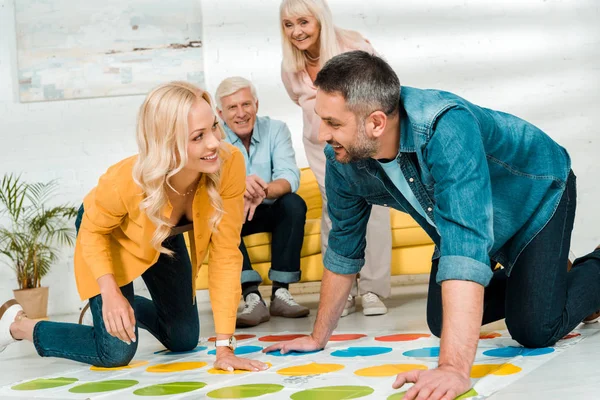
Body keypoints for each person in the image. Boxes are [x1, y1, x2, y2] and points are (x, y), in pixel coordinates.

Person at [264, 51, 600, 399]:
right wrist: (319, 337)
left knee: (534, 328)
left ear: (376, 123)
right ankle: (547, 277)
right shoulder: (344, 159)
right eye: (322, 120)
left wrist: (454, 369)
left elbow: (465, 243)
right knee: (442, 322)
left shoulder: (445, 128)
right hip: (464, 219)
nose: (322, 135)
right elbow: (344, 248)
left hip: (534, 196)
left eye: (333, 123)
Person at [0, 82, 269, 373]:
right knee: (115, 352)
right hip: (104, 233)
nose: (215, 142)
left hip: (164, 233)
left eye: (214, 127)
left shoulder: (228, 164)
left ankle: (108, 313)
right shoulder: (125, 182)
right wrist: (110, 293)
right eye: (198, 137)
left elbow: (226, 256)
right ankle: (19, 325)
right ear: (168, 144)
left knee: (183, 339)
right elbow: (93, 231)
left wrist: (225, 348)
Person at [279, 0, 391, 316]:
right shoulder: (290, 66)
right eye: (289, 25)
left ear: (319, 19)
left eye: (303, 22)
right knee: (335, 209)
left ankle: (372, 290)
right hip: (322, 146)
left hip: (361, 139)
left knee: (376, 206)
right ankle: (343, 292)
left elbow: (380, 88)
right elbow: (300, 100)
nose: (297, 31)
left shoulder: (352, 45)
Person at [215, 77, 309, 328]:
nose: (241, 113)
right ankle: (251, 296)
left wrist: (263, 189)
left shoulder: (275, 129)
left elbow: (289, 176)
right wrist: (237, 188)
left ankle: (281, 292)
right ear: (220, 113)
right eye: (232, 108)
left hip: (266, 207)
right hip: (233, 214)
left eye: (246, 104)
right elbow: (208, 187)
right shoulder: (212, 139)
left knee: (293, 203)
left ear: (256, 104)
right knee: (218, 213)